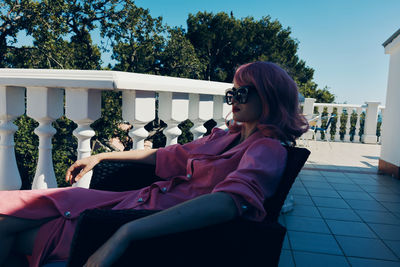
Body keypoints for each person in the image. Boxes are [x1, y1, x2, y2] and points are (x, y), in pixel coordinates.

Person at [0, 61, 308, 267]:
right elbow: (163, 156)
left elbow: (230, 203)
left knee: (13, 234)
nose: (234, 99)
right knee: (19, 208)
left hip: (146, 218)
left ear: (269, 96)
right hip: (129, 200)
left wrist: (127, 232)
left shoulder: (267, 149)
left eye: (243, 91)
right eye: (232, 92)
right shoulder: (223, 137)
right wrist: (102, 156)